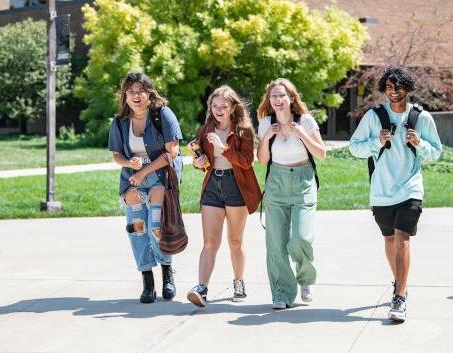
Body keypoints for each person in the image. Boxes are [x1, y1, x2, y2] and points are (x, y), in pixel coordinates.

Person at [349, 65, 442, 322]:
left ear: (408, 88)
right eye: (389, 87)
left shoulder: (421, 117)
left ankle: (399, 297)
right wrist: (376, 142)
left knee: (402, 238)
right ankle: (400, 283)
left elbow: (436, 152)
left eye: (398, 87)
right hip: (381, 192)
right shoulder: (373, 116)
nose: (394, 91)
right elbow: (354, 148)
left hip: (410, 188)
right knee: (389, 240)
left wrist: (419, 144)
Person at [108, 72, 183, 303]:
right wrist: (129, 163)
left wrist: (143, 171)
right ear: (125, 95)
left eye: (140, 90)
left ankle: (167, 272)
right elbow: (117, 155)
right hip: (132, 179)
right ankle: (147, 278)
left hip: (159, 177)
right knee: (137, 228)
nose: (135, 96)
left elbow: (172, 153)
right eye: (130, 91)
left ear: (149, 92)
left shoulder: (163, 115)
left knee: (156, 227)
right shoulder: (120, 121)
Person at [187, 85, 262, 308]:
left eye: (224, 106)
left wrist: (223, 148)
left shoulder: (243, 130)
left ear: (232, 108)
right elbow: (203, 159)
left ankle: (239, 282)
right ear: (211, 107)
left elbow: (247, 162)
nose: (219, 110)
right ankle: (201, 288)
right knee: (210, 241)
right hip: (213, 185)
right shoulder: (206, 129)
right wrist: (198, 163)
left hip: (235, 185)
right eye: (215, 105)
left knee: (235, 241)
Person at [256, 78, 326, 309]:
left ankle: (305, 279)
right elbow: (263, 159)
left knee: (301, 238)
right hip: (276, 181)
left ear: (291, 98)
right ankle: (281, 293)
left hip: (303, 182)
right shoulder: (266, 123)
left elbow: (321, 153)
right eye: (273, 96)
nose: (277, 100)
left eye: (282, 96)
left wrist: (301, 135)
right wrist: (266, 137)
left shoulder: (305, 121)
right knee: (275, 243)